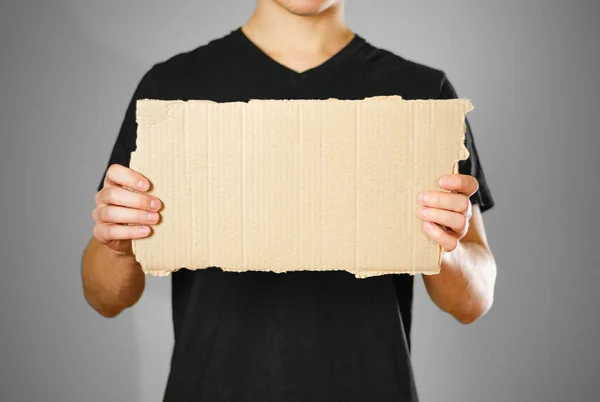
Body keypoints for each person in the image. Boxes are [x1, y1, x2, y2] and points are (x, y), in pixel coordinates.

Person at [81, 0, 497, 400]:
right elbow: (105, 297)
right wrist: (117, 245)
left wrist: (447, 244)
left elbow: (472, 301)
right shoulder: (171, 91)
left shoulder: (423, 96)